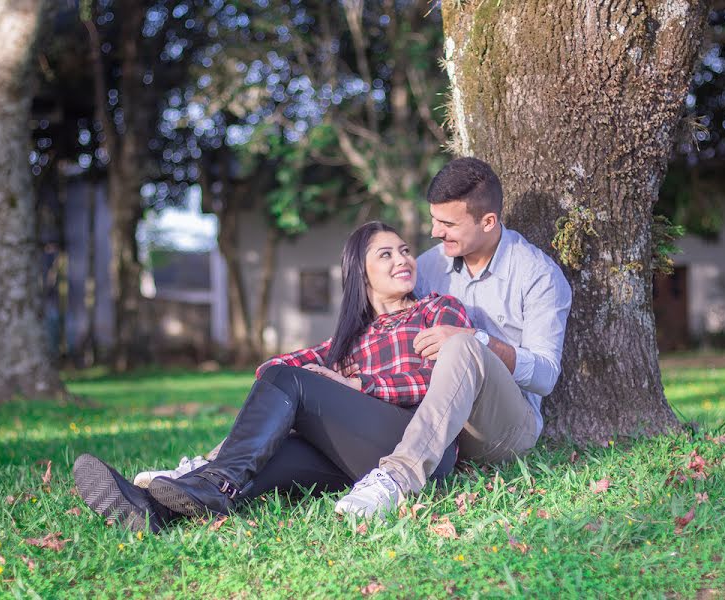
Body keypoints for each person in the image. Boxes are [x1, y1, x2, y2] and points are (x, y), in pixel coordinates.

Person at [72, 221, 470, 531]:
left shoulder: (437, 310)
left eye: (404, 250)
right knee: (266, 455)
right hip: (358, 461)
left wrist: (356, 386)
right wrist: (320, 377)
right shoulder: (352, 339)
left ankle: (214, 479)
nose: (402, 259)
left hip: (419, 452)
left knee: (292, 383)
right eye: (386, 254)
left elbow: (445, 382)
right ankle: (154, 512)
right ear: (361, 273)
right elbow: (272, 372)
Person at [334, 157, 572, 518]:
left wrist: (478, 339)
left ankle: (396, 481)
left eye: (447, 223)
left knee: (463, 345)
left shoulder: (538, 276)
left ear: (488, 221)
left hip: (502, 429)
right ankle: (222, 464)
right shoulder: (429, 266)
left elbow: (545, 377)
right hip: (425, 416)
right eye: (433, 219)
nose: (434, 232)